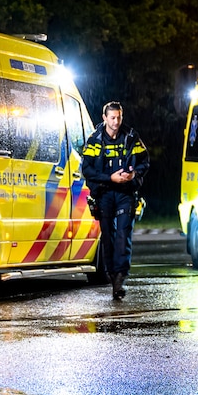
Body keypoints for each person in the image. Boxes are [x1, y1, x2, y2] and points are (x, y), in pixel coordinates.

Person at [81, 101, 150, 299]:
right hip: (104, 193)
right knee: (108, 237)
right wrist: (109, 178)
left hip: (125, 193)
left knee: (123, 235)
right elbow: (87, 169)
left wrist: (134, 174)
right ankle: (113, 276)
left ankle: (120, 277)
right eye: (112, 118)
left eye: (119, 117)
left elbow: (145, 161)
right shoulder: (94, 140)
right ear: (104, 118)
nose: (116, 122)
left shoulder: (131, 137)